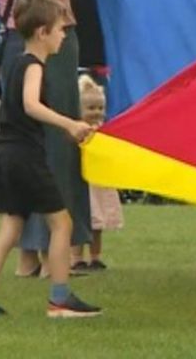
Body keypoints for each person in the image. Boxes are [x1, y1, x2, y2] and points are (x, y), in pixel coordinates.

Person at [0, 0, 100, 319]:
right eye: (59, 29)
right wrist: (70, 124)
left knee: (9, 232)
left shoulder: (15, 64)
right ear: (42, 32)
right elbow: (31, 104)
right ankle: (59, 299)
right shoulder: (34, 66)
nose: (63, 35)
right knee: (62, 222)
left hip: (6, 157)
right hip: (25, 157)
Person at [0, 0, 90, 276]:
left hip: (61, 50)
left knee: (60, 147)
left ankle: (42, 251)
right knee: (38, 144)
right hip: (29, 50)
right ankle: (37, 251)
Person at [71, 75, 122, 271]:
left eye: (100, 108)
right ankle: (76, 257)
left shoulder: (105, 129)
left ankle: (95, 256)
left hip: (100, 182)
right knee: (79, 220)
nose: (97, 112)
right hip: (83, 182)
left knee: (97, 223)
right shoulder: (77, 130)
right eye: (91, 108)